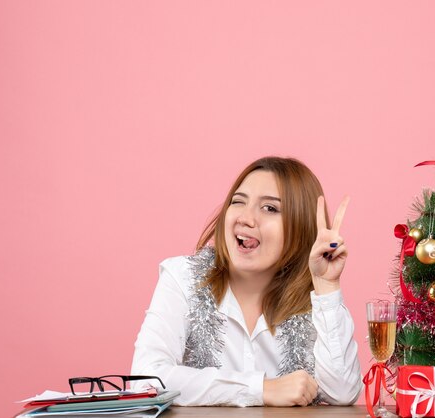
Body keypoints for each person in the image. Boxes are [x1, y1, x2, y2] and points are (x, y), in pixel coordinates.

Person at [131, 156, 362, 407]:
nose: (245, 218)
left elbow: (343, 392)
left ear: (300, 227)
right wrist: (260, 388)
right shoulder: (183, 277)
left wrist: (327, 286)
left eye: (270, 208)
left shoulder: (313, 298)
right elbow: (146, 380)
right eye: (238, 202)